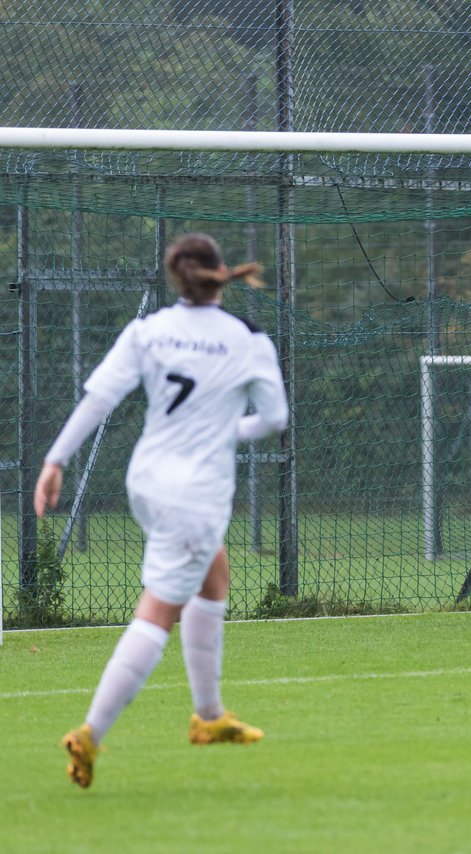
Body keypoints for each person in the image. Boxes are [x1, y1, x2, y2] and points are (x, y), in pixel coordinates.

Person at [34, 233, 289, 788]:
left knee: (213, 572)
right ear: (221, 274)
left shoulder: (149, 331)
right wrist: (227, 429)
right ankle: (91, 734)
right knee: (158, 611)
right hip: (194, 493)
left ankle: (210, 715)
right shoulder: (248, 339)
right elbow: (274, 419)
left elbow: (100, 399)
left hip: (147, 481)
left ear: (177, 279)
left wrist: (55, 460)